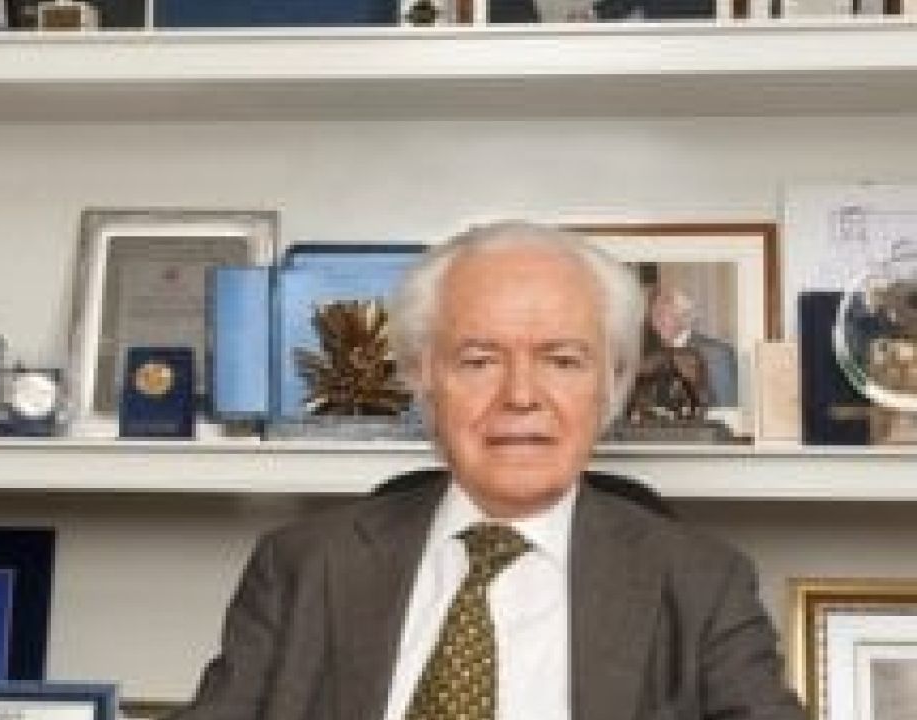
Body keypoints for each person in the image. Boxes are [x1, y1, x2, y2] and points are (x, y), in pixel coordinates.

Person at [172, 222, 805, 720]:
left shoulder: (702, 585)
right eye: (478, 361)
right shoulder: (300, 568)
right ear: (423, 377)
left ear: (611, 383)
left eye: (562, 360)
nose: (520, 396)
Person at [647, 284, 739, 408]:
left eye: (663, 313)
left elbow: (728, 410)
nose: (657, 322)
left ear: (685, 316)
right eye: (654, 315)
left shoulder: (717, 353)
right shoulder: (654, 357)